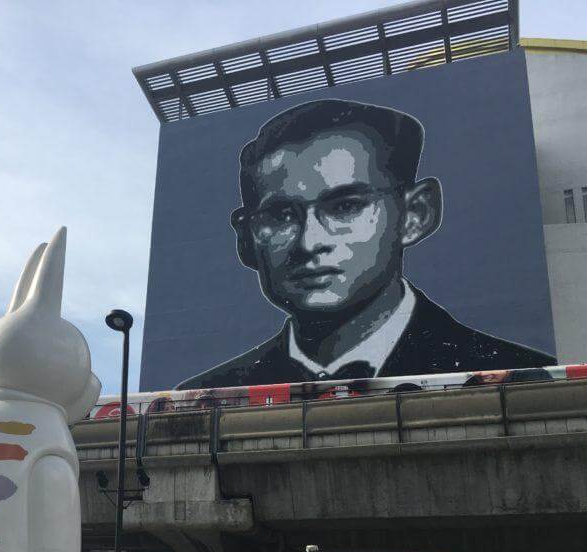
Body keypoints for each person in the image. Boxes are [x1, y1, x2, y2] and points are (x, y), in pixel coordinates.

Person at [176, 98, 555, 390]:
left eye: (345, 207)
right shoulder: (205, 396)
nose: (310, 242)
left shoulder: (520, 376)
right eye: (280, 215)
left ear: (415, 214)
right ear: (246, 238)